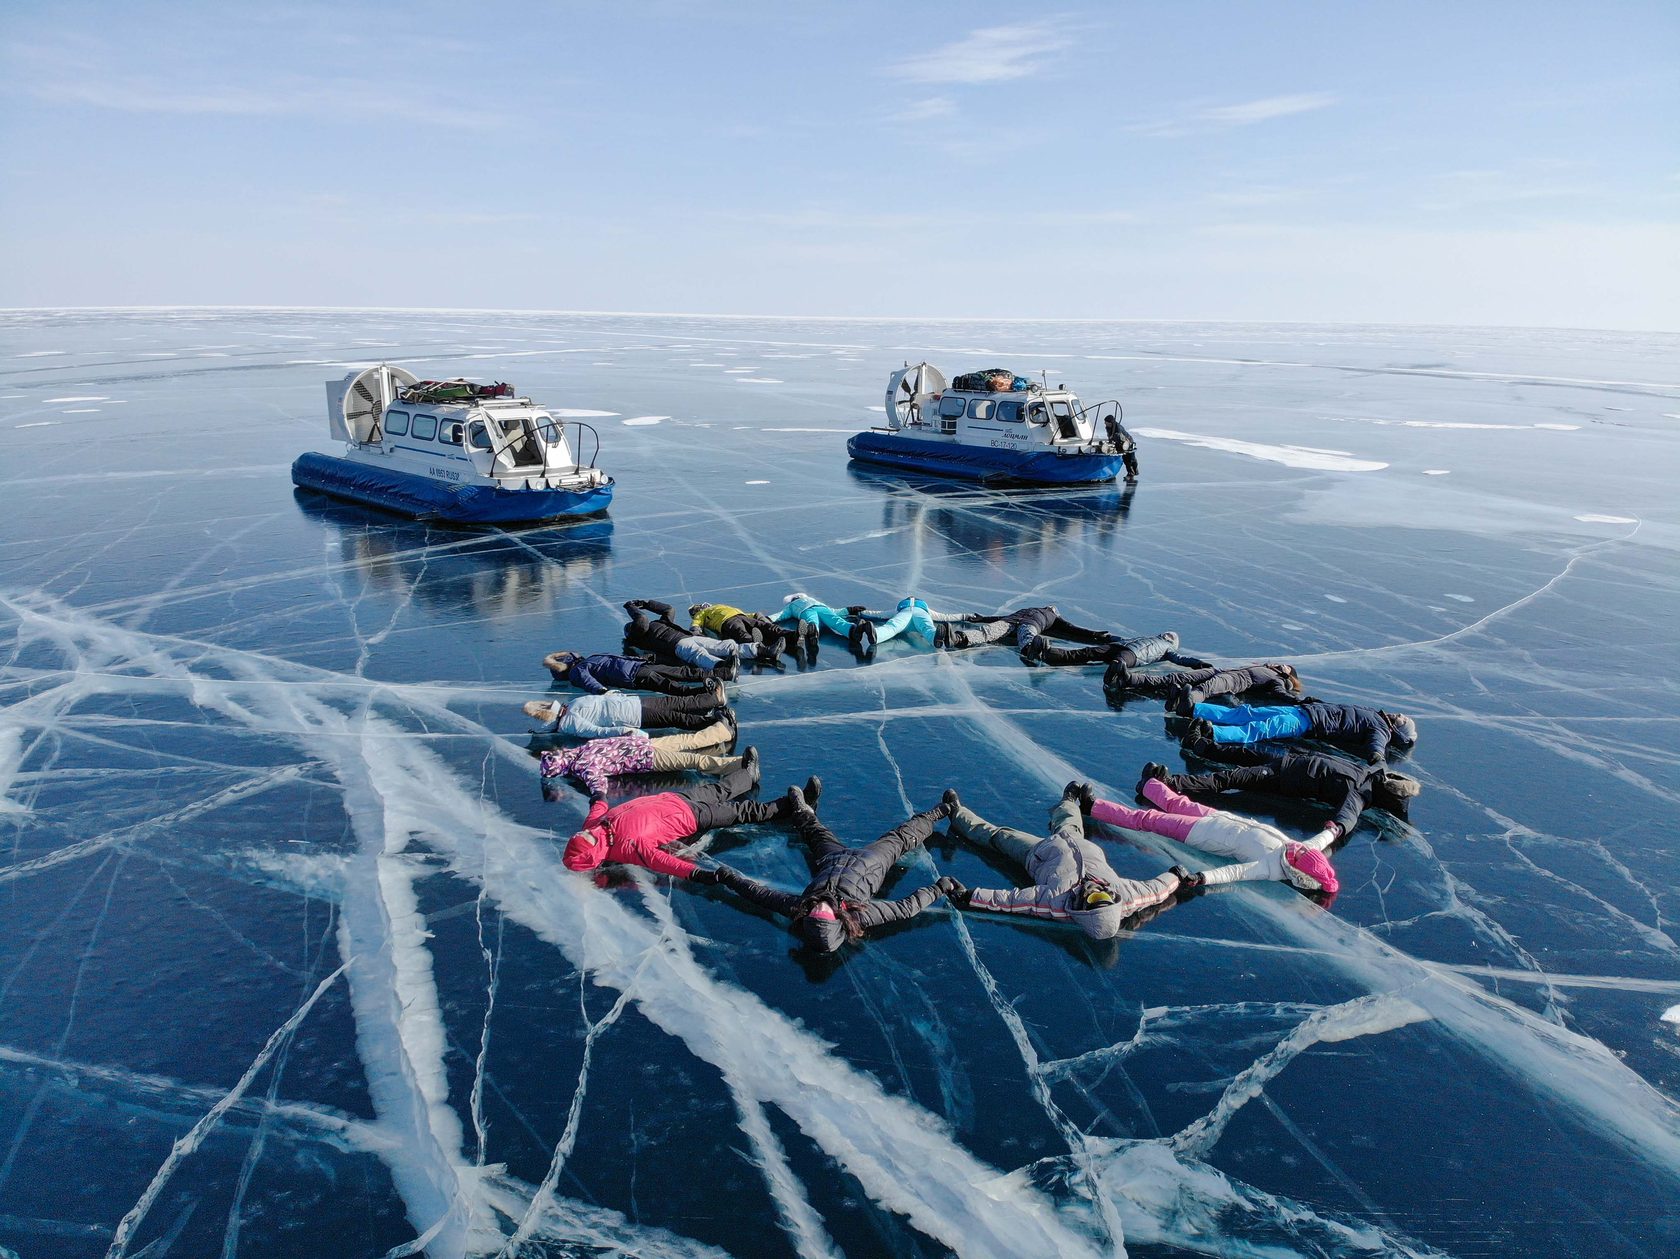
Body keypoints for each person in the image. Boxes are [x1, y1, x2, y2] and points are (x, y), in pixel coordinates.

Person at [708, 781, 958, 952]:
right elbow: (905, 909)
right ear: (839, 921)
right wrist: (940, 887)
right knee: (903, 837)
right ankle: (942, 811)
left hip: (831, 860)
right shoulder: (860, 915)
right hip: (872, 862)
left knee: (813, 832)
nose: (820, 905)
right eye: (825, 912)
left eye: (815, 910)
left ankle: (802, 806)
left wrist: (728, 877)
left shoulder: (800, 908)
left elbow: (760, 894)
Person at [938, 785, 1182, 938]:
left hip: (1038, 853)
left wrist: (969, 896)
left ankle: (957, 813)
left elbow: (1010, 901)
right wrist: (1177, 875)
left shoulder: (1054, 901)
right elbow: (1155, 892)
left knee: (1000, 836)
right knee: (1068, 820)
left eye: (1093, 899)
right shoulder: (1125, 896)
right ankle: (1068, 799)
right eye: (1103, 897)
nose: (1096, 891)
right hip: (1074, 839)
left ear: (1082, 908)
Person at [1088, 776, 1340, 898]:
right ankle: (1147, 784)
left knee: (1147, 820)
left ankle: (1092, 806)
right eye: (1303, 849)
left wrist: (1202, 877)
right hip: (1220, 818)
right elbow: (1319, 841)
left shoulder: (1271, 867)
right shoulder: (1300, 850)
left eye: (1298, 854)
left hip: (1200, 834)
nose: (1297, 847)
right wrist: (1333, 830)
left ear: (1297, 870)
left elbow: (1234, 873)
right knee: (1178, 802)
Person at [562, 763, 804, 882]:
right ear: (592, 854)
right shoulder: (626, 848)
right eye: (584, 842)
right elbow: (664, 862)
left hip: (675, 799)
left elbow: (598, 808)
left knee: (717, 790)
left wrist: (598, 795)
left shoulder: (594, 827)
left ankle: (749, 775)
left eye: (579, 837)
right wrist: (698, 874)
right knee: (739, 811)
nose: (583, 835)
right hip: (689, 818)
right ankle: (791, 806)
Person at [1151, 750, 1421, 847]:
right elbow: (1381, 765)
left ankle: (1170, 783)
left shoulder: (1361, 791)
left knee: (1228, 780)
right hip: (1290, 762)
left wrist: (1335, 829)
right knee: (1244, 757)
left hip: (1284, 777)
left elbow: (1348, 814)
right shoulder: (1375, 775)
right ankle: (1204, 744)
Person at [539, 718, 748, 798]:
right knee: (693, 761)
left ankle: (722, 732)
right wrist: (598, 798)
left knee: (685, 740)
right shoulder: (583, 767)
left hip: (642, 745)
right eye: (556, 756)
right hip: (646, 758)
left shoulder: (579, 752)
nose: (558, 751)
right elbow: (597, 783)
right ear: (561, 763)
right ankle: (739, 765)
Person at [1186, 701, 1418, 765]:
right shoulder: (1377, 715)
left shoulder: (1381, 729)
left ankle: (1212, 733)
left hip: (1306, 722)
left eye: (1403, 719)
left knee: (1258, 730)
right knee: (1247, 713)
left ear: (1398, 728)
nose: (1400, 715)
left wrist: (1377, 758)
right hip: (1303, 710)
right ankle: (1193, 708)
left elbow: (1376, 745)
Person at [623, 598, 781, 672]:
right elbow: (641, 619)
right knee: (698, 655)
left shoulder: (661, 623)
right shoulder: (639, 637)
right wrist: (631, 607)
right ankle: (723, 667)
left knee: (726, 645)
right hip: (676, 646)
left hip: (688, 638)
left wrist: (647, 604)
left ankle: (763, 651)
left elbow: (669, 610)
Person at [522, 682, 729, 738]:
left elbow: (599, 702)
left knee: (674, 704)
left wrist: (611, 696)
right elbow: (596, 732)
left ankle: (711, 702)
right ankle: (713, 721)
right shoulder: (570, 723)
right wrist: (622, 731)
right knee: (674, 716)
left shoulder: (570, 708)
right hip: (631, 716)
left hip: (631, 704)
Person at [940, 604, 1118, 665]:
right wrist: (982, 618)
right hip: (1012, 621)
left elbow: (1071, 628)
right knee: (988, 631)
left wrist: (1094, 634)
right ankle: (957, 638)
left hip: (1028, 625)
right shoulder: (1035, 610)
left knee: (1027, 636)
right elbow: (1001, 616)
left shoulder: (1054, 618)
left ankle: (1031, 649)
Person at [1104, 661, 1301, 707]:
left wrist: (1301, 701)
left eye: (1283, 666)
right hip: (1221, 670)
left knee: (1205, 689)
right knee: (1175, 677)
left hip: (1234, 681)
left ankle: (1185, 700)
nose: (1278, 664)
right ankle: (1128, 678)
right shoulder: (1264, 667)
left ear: (1287, 673)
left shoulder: (1278, 680)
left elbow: (1281, 694)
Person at [542, 649, 712, 696]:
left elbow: (615, 660)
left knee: (673, 681)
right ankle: (710, 684)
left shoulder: (582, 666)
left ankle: (707, 685)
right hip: (634, 671)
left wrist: (601, 690)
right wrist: (600, 690)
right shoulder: (583, 666)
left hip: (633, 672)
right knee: (674, 679)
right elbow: (589, 681)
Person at [689, 601, 811, 660]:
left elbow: (748, 613)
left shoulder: (720, 606)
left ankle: (794, 636)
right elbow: (696, 624)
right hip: (726, 623)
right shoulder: (701, 614)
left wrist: (759, 616)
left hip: (741, 616)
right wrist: (696, 632)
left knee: (767, 627)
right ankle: (760, 648)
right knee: (742, 634)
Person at [771, 593, 872, 658]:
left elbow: (780, 615)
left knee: (811, 620)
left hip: (805, 611)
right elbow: (834, 611)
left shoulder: (790, 606)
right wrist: (850, 609)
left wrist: (765, 618)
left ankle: (813, 632)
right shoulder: (813, 600)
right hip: (822, 608)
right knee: (835, 620)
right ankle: (854, 631)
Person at [1103, 415, 1140, 484]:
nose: (1105, 423)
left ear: (1110, 422)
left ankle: (1131, 474)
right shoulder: (1108, 427)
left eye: (1106, 422)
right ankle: (1133, 472)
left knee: (1129, 459)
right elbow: (1110, 436)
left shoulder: (1118, 428)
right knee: (1126, 460)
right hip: (1120, 444)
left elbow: (1121, 438)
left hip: (1127, 443)